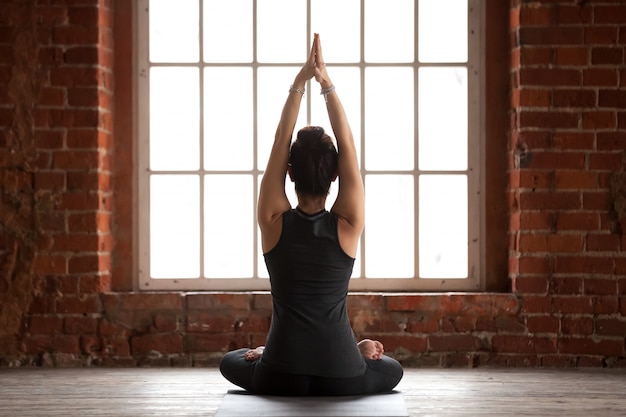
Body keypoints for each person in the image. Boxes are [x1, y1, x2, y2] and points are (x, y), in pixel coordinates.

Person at [219, 33, 403, 396]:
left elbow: (278, 142)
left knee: (232, 360)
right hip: (343, 374)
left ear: (290, 172)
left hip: (278, 373)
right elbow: (347, 146)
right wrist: (326, 83)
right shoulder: (348, 225)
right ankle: (357, 351)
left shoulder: (273, 220)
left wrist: (300, 82)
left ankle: (268, 351)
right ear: (335, 173)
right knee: (392, 369)